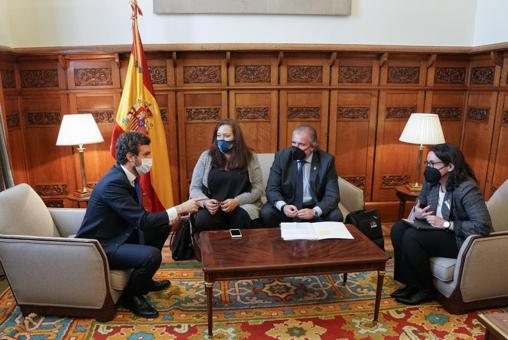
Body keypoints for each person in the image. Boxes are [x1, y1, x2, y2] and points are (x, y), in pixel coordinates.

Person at [77, 132, 199, 318]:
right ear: (131, 158)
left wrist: (173, 218)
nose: (150, 159)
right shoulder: (113, 183)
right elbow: (141, 220)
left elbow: (138, 218)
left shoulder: (127, 176)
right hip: (101, 246)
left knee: (163, 226)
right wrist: (180, 208)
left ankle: (144, 281)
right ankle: (130, 296)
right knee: (151, 256)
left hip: (121, 234)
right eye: (146, 154)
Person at [390, 143, 492, 305]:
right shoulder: (431, 180)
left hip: (458, 237)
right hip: (436, 231)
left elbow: (483, 226)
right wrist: (417, 212)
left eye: (433, 164)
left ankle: (425, 289)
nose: (429, 168)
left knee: (412, 237)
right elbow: (421, 202)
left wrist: (446, 224)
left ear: (450, 166)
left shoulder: (467, 189)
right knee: (398, 229)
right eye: (427, 163)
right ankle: (410, 283)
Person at [189, 119, 263, 232]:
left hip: (241, 205)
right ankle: (214, 249)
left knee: (241, 218)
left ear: (236, 138)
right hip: (214, 208)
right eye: (219, 136)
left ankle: (238, 248)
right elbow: (194, 188)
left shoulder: (250, 156)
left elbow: (258, 188)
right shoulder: (206, 156)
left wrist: (237, 201)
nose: (221, 140)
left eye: (227, 136)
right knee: (203, 220)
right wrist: (205, 202)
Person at [261, 125, 342, 227]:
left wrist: (314, 211)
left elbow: (333, 195)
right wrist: (283, 206)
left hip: (313, 207)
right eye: (293, 143)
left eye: (301, 145)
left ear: (313, 147)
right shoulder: (282, 157)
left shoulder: (326, 160)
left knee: (336, 216)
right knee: (267, 212)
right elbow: (272, 188)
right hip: (289, 206)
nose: (296, 149)